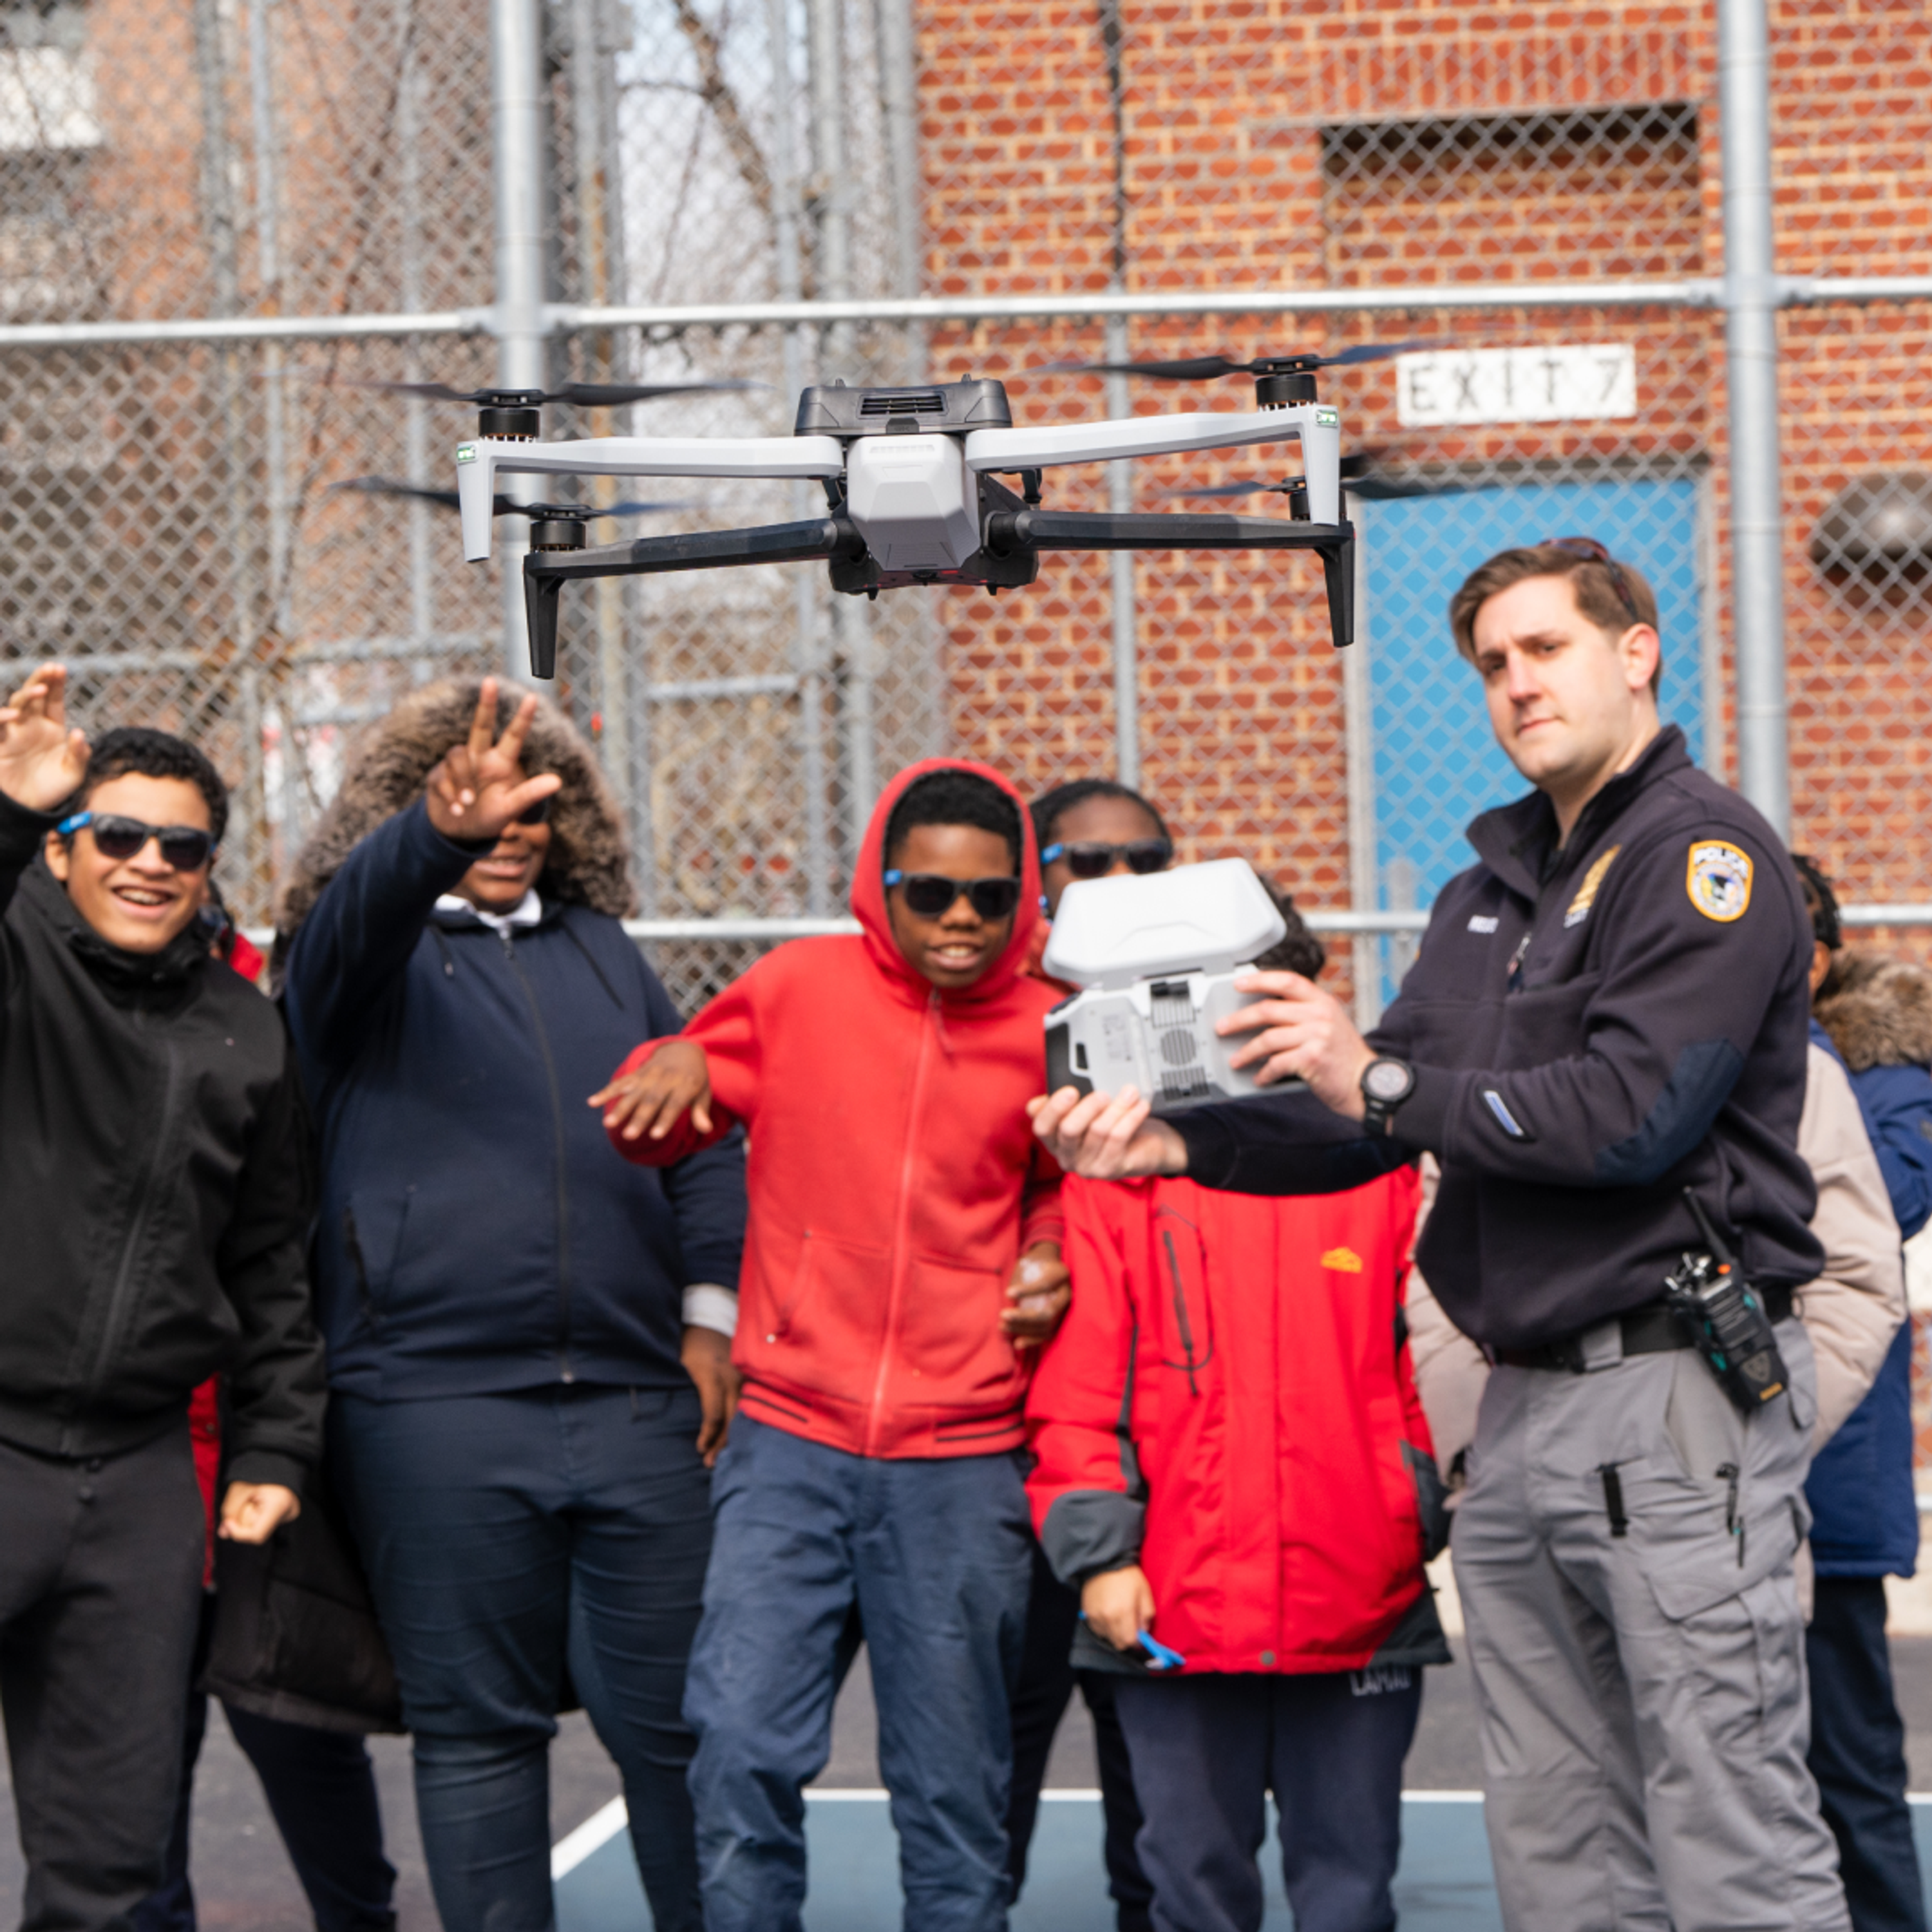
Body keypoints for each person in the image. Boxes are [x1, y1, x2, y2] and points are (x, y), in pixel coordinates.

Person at [1035, 540, 1852, 1931]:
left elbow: (1630, 1115)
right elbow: (1367, 1119)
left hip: (1673, 1393)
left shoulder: (1702, 859)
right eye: (1493, 665)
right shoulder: (1491, 888)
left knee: (1731, 1830)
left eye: (1548, 649)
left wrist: (1380, 1078)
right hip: (1524, 1406)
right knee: (1560, 1835)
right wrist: (1177, 1144)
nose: (1519, 685)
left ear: (1637, 650)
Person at [277, 677, 746, 1932]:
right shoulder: (354, 956)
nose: (509, 827)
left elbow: (698, 1143)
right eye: (480, 807)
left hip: (647, 1405)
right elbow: (352, 918)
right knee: (478, 1734)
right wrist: (427, 832)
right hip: (434, 1408)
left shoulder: (604, 953)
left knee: (685, 1731)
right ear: (413, 808)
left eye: (538, 805)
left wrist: (710, 1314)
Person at [596, 759, 1070, 1932]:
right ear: (881, 887)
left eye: (990, 896)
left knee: (953, 1793)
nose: (961, 919)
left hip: (963, 1459)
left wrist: (1053, 1264)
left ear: (1023, 897)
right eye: (929, 893)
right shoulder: (800, 986)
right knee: (743, 1748)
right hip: (790, 1444)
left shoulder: (1051, 1024)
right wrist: (685, 1062)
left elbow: (1069, 1192)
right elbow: (658, 1122)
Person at [1028, 880, 1447, 1932]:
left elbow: (1431, 1364)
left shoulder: (1385, 1166)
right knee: (1191, 1891)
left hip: (1358, 1599)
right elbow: (1079, 1390)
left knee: (1350, 1894)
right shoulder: (1123, 1173)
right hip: (1174, 1606)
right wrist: (1100, 1556)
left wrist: (1415, 1509)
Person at [0, 665, 324, 1932]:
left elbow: (270, 1265)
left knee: (112, 1865)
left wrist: (278, 1441)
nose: (149, 863)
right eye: (116, 835)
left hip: (135, 1480)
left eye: (180, 846)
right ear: (67, 851)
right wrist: (12, 809)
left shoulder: (247, 1030)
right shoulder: (18, 958)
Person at [1006, 775, 1170, 1932]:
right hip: (1009, 1448)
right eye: (1084, 864)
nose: (1116, 884)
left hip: (1154, 1453)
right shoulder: (989, 1021)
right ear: (1037, 883)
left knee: (1151, 1750)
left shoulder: (1219, 1024)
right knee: (1000, 1732)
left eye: (1142, 862)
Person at [1797, 853, 1932, 1932]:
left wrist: (1784, 1056)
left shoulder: (1885, 1076)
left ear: (1818, 960)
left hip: (1825, 1478)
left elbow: (1867, 1209)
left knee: (1849, 1763)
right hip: (1686, 1482)